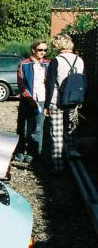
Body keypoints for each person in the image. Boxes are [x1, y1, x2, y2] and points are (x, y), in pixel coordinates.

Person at [44, 34, 85, 174]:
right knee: (70, 132)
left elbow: (50, 85)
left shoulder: (56, 61)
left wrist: (46, 106)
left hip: (56, 102)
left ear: (58, 45)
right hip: (73, 100)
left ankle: (58, 167)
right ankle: (71, 165)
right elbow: (83, 82)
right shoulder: (80, 60)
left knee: (57, 135)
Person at [14, 40, 49, 164]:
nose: (43, 52)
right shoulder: (24, 64)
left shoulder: (48, 64)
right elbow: (21, 83)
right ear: (33, 50)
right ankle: (19, 153)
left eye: (45, 50)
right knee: (22, 127)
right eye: (40, 50)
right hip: (27, 100)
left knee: (38, 128)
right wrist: (29, 98)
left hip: (42, 99)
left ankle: (33, 154)